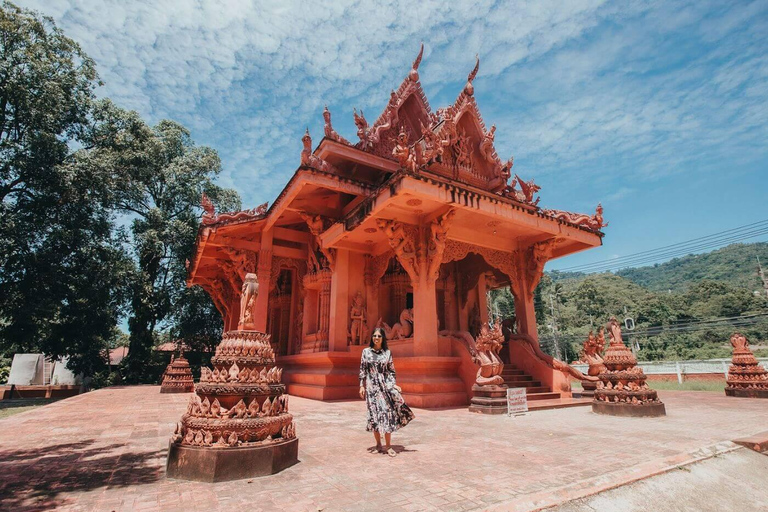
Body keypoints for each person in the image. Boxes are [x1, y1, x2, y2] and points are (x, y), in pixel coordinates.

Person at [359, 327, 414, 456]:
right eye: (374, 336)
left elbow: (391, 371)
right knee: (374, 416)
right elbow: (363, 370)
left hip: (384, 388)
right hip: (372, 389)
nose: (376, 338)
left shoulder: (387, 353)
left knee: (387, 414)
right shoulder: (365, 352)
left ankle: (388, 446)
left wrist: (393, 385)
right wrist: (362, 386)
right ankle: (378, 444)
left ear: (383, 338)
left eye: (379, 336)